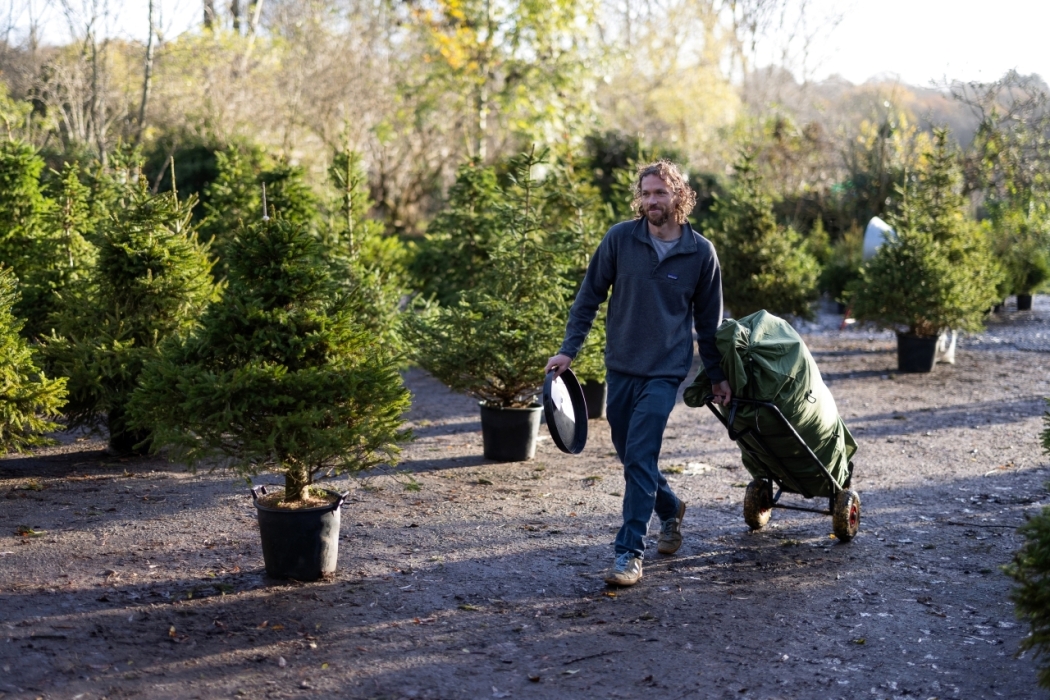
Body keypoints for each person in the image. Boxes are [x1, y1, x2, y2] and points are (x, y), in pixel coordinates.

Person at [545, 160, 731, 587]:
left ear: (679, 196)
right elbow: (588, 297)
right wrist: (567, 351)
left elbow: (708, 323)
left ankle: (629, 552)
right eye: (646, 194)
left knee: (641, 453)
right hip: (622, 367)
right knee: (631, 455)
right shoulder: (619, 239)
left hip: (666, 371)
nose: (651, 201)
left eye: (660, 193)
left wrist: (718, 375)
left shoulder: (700, 252)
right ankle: (670, 508)